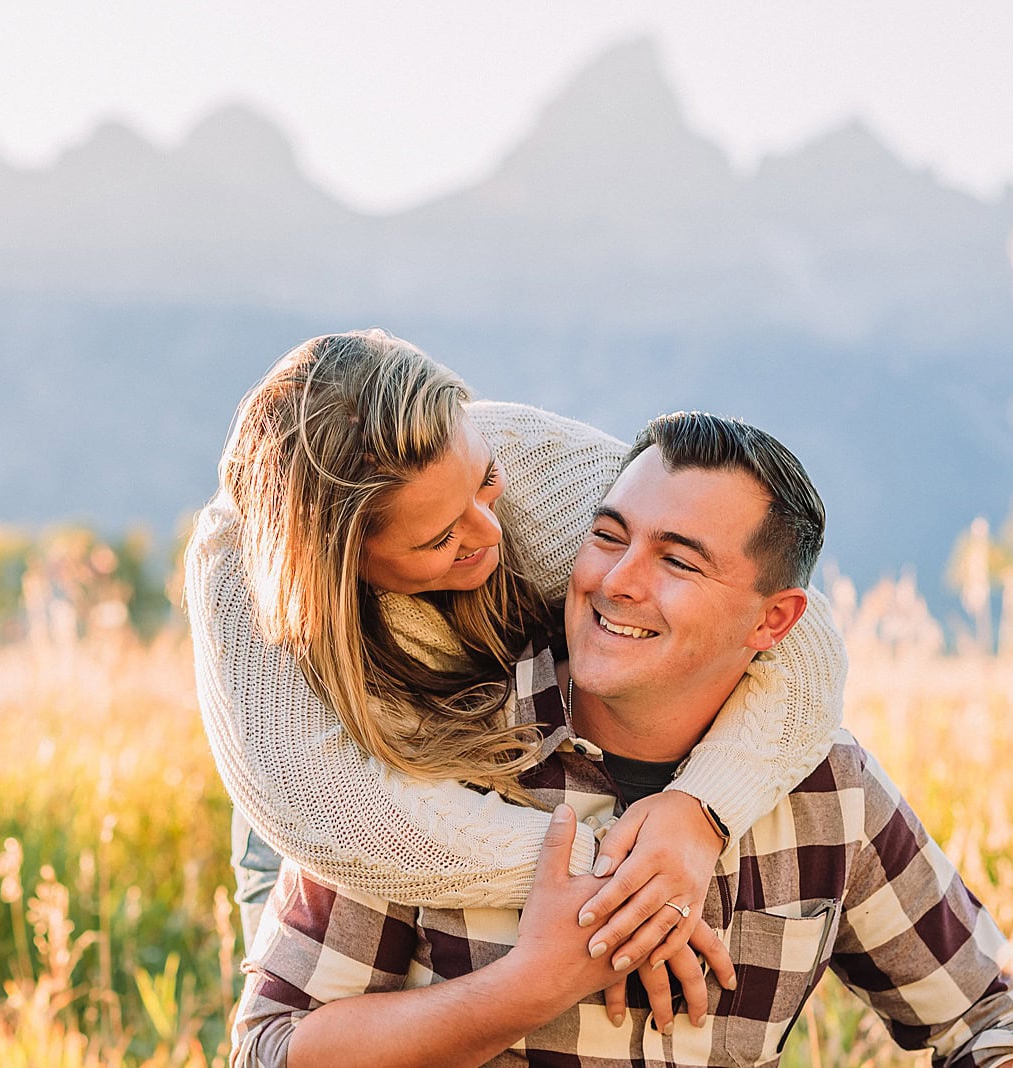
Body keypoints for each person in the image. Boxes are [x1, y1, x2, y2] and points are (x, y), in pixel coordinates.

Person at [231, 412, 1013, 1068]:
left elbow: (1000, 1019)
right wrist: (527, 988)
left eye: (678, 561)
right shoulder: (438, 757)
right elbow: (271, 1050)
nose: (616, 582)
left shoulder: (829, 794)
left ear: (774, 621)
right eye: (607, 536)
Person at [184, 331, 849, 1007]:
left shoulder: (522, 459)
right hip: (334, 802)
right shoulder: (245, 584)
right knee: (297, 1014)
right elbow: (351, 824)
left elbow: (800, 630)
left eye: (484, 484)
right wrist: (629, 882)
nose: (489, 530)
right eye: (441, 538)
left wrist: (697, 815)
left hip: (513, 736)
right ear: (342, 560)